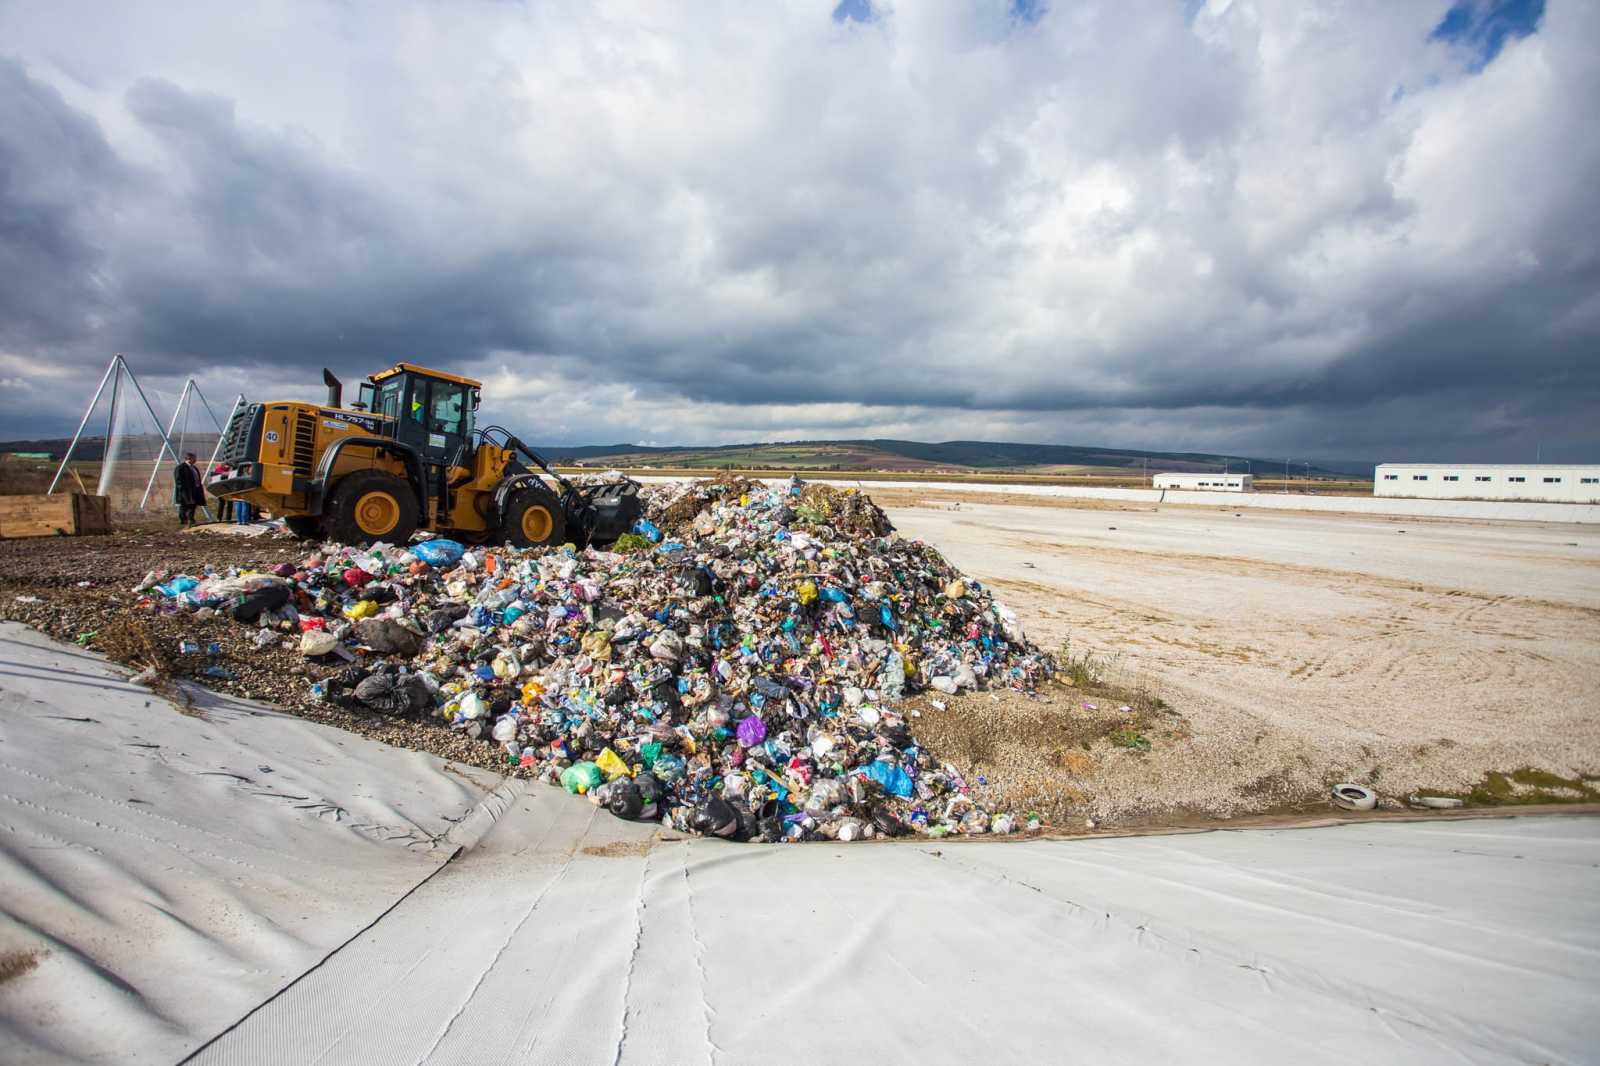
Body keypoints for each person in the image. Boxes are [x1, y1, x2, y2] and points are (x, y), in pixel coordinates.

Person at [173, 452, 206, 527]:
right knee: (184, 505)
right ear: (189, 458)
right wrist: (182, 489)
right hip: (185, 491)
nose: (195, 460)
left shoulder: (194, 467)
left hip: (195, 489)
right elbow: (178, 480)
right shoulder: (181, 467)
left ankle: (191, 519)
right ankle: (183, 520)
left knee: (193, 504)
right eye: (194, 458)